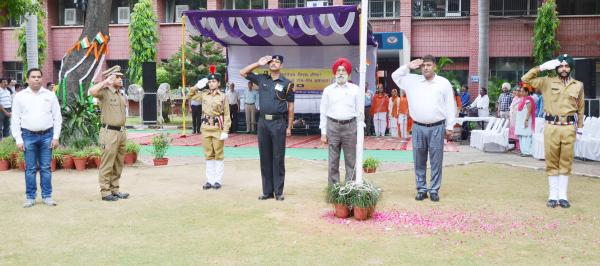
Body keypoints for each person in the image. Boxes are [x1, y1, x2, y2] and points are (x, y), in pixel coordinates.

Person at [522, 54, 584, 209]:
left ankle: (563, 196)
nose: (564, 69)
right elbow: (526, 79)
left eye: (566, 66)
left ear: (570, 68)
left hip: (569, 128)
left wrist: (581, 127)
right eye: (561, 66)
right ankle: (552, 195)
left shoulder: (578, 85)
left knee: (566, 160)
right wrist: (542, 67)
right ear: (556, 68)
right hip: (551, 127)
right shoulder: (546, 82)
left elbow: (581, 108)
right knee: (551, 160)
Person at [392, 55, 456, 202]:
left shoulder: (443, 83)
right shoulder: (412, 81)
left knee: (436, 161)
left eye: (428, 65)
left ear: (434, 66)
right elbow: (395, 75)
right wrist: (408, 66)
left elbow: (450, 105)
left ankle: (434, 189)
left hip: (437, 127)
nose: (425, 68)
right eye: (423, 66)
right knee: (419, 160)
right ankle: (421, 189)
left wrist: (450, 126)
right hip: (418, 127)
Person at [240, 55, 294, 201]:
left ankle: (278, 191)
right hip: (263, 122)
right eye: (271, 62)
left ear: (281, 66)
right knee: (265, 157)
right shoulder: (262, 79)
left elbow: (291, 106)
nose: (274, 63)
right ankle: (267, 191)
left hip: (278, 123)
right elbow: (243, 72)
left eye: (277, 62)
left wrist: (289, 126)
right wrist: (258, 63)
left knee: (278, 157)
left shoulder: (287, 83)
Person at [11, 68, 62, 207]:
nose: (36, 79)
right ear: (27, 79)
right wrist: (19, 139)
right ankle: (30, 197)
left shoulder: (50, 95)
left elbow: (57, 117)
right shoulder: (20, 96)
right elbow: (15, 119)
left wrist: (55, 137)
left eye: (39, 77)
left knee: (46, 168)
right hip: (28, 136)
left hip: (47, 136)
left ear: (42, 79)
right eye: (33, 77)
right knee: (30, 169)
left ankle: (47, 196)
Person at [88, 66, 130, 202]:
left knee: (118, 163)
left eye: (121, 77)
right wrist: (105, 81)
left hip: (121, 132)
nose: (120, 79)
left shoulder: (121, 94)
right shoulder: (104, 92)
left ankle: (115, 189)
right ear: (111, 78)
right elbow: (92, 91)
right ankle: (105, 192)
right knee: (107, 163)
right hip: (109, 132)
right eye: (117, 77)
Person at [319, 58, 364, 185]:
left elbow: (360, 112)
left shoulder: (355, 89)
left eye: (343, 70)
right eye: (338, 70)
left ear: (348, 73)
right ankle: (334, 188)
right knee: (333, 160)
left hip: (350, 126)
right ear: (334, 73)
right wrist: (323, 132)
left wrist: (360, 130)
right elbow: (323, 111)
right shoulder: (328, 90)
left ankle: (351, 187)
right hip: (332, 126)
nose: (340, 73)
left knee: (351, 160)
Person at [191, 68, 231, 190]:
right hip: (206, 127)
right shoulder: (203, 94)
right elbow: (189, 95)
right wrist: (197, 86)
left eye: (214, 81)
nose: (211, 83)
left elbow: (227, 115)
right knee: (208, 154)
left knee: (218, 154)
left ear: (219, 83)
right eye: (210, 81)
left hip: (217, 128)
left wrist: (225, 130)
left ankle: (217, 180)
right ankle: (210, 180)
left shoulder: (223, 97)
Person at [514, 85, 536, 157]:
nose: (521, 92)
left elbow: (529, 111)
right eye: (520, 91)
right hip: (520, 121)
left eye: (523, 91)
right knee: (521, 135)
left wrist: (526, 120)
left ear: (527, 92)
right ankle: (523, 151)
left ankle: (527, 152)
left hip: (525, 120)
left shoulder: (528, 100)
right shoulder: (523, 99)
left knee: (526, 136)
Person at [509, 86, 523, 152]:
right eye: (516, 90)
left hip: (519, 118)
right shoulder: (515, 98)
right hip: (513, 118)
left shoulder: (523, 99)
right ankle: (516, 147)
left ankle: (520, 148)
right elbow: (511, 107)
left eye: (519, 90)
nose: (517, 92)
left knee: (519, 133)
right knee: (514, 133)